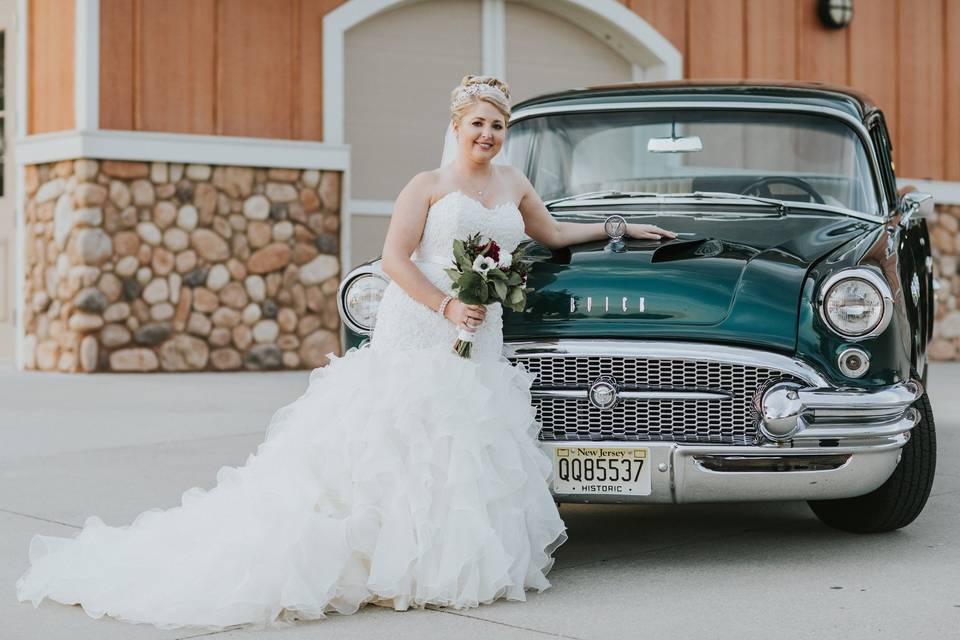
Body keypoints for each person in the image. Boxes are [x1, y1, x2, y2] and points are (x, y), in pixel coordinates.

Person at [15, 75, 675, 630]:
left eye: (498, 126)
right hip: (421, 321)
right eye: (478, 122)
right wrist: (446, 306)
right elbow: (392, 259)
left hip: (482, 329)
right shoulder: (426, 186)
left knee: (460, 441)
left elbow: (553, 232)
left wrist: (618, 228)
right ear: (457, 125)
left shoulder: (513, 186)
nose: (488, 135)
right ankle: (379, 557)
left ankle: (433, 562)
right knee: (400, 435)